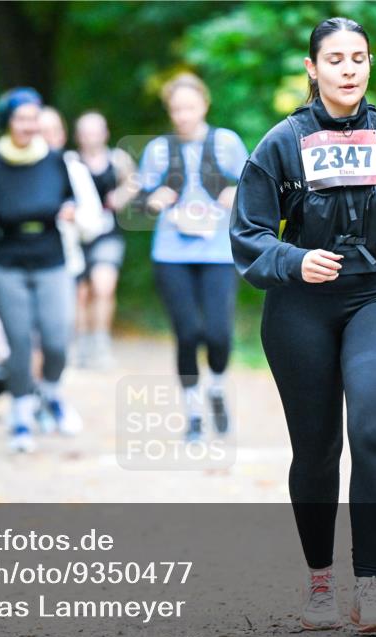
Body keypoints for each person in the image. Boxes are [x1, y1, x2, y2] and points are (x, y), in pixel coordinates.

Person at [230, 17, 376, 634]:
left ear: (370, 65)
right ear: (312, 68)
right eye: (335, 59)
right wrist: (295, 261)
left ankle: (370, 588)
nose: (349, 70)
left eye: (359, 58)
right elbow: (248, 235)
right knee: (317, 452)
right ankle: (320, 585)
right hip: (302, 309)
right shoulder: (281, 143)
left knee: (373, 432)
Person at [135, 73, 249, 443]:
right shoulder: (158, 149)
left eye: (190, 107)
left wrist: (235, 195)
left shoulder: (226, 142)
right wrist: (152, 201)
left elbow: (253, 186)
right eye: (176, 109)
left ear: (204, 105)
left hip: (217, 252)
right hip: (172, 253)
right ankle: (194, 412)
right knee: (187, 333)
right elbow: (141, 198)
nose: (183, 115)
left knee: (217, 333)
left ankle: (215, 388)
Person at [0, 88, 81, 453]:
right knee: (18, 342)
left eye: (34, 118)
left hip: (50, 257)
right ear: (7, 122)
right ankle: (20, 412)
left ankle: (50, 394)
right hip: (7, 260)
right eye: (21, 119)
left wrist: (70, 210)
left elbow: (69, 197)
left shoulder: (55, 161)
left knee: (56, 340)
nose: (29, 126)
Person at [70, 111, 137, 369]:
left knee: (104, 286)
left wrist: (121, 197)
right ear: (78, 136)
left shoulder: (118, 159)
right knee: (80, 293)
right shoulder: (71, 162)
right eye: (86, 132)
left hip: (108, 233)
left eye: (95, 131)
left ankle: (101, 344)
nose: (91, 137)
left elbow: (134, 182)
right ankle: (80, 345)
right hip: (77, 235)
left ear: (105, 133)